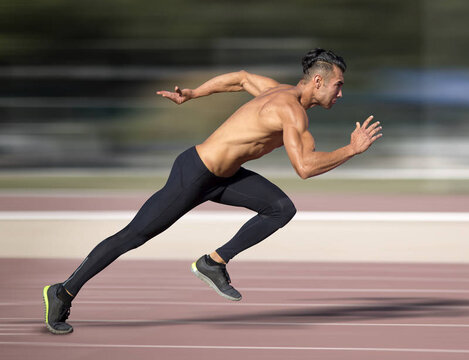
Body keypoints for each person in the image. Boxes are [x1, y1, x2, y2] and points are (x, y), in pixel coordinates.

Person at [42, 48, 382, 334]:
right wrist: (351, 149)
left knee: (281, 208)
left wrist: (194, 93)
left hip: (224, 177)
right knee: (133, 235)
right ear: (318, 81)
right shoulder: (288, 110)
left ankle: (213, 262)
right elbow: (305, 167)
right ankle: (63, 291)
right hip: (195, 174)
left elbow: (240, 77)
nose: (340, 94)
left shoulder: (276, 91)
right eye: (337, 86)